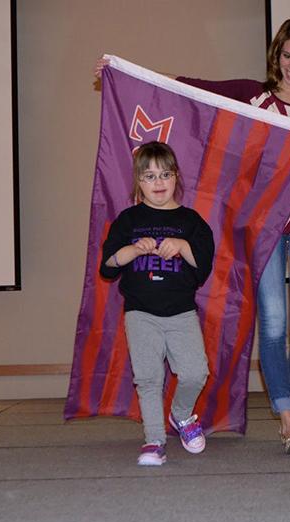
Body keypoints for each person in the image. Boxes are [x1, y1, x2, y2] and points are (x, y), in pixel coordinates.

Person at [96, 18, 290, 453]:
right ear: (277, 57)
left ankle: (289, 396)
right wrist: (126, 74)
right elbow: (192, 88)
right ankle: (288, 416)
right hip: (265, 225)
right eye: (287, 56)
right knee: (272, 323)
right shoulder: (256, 96)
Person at [100, 142, 214, 466]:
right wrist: (135, 250)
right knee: (148, 377)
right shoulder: (128, 219)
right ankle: (154, 440)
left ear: (176, 177)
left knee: (195, 372)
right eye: (149, 176)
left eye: (165, 174)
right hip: (140, 313)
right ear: (138, 182)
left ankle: (181, 415)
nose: (158, 182)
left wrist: (181, 245)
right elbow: (108, 265)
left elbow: (203, 265)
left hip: (181, 312)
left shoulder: (192, 221)